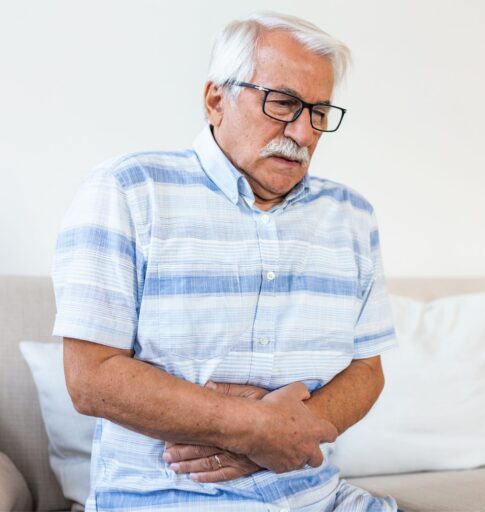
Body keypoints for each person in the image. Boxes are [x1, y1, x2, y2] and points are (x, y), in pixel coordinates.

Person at [52, 11, 399, 512]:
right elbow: (91, 378)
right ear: (216, 99)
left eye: (319, 112)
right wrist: (252, 428)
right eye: (283, 103)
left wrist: (277, 440)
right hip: (167, 501)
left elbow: (368, 369)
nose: (302, 132)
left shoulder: (351, 215)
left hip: (322, 498)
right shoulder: (128, 190)